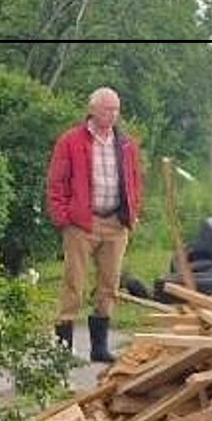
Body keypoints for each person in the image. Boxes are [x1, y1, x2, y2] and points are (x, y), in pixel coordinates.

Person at [46, 86, 143, 363]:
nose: (113, 114)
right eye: (107, 109)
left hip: (115, 222)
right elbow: (56, 182)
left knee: (109, 284)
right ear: (92, 110)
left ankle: (99, 348)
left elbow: (135, 180)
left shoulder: (125, 144)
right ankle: (63, 349)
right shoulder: (71, 141)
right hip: (81, 223)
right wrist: (63, 217)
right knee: (74, 283)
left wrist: (133, 211)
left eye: (116, 109)